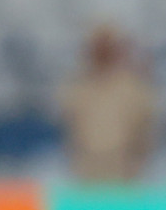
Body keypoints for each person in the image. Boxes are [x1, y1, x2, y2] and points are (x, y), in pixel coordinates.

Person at [60, 24, 155, 182]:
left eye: (107, 46)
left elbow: (145, 132)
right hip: (87, 175)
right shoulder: (76, 89)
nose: (102, 52)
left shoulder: (135, 89)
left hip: (124, 175)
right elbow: (70, 130)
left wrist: (134, 163)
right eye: (98, 46)